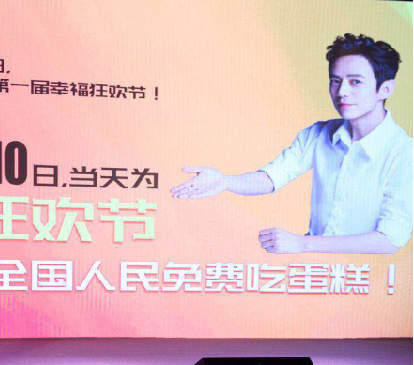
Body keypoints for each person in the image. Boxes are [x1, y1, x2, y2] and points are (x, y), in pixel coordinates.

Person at [171, 34, 412, 254]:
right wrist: (225, 181)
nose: (342, 92)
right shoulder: (318, 133)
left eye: (356, 82)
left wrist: (303, 243)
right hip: (316, 273)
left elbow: (390, 240)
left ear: (385, 89)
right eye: (335, 81)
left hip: (371, 278)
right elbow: (272, 177)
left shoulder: (404, 152)